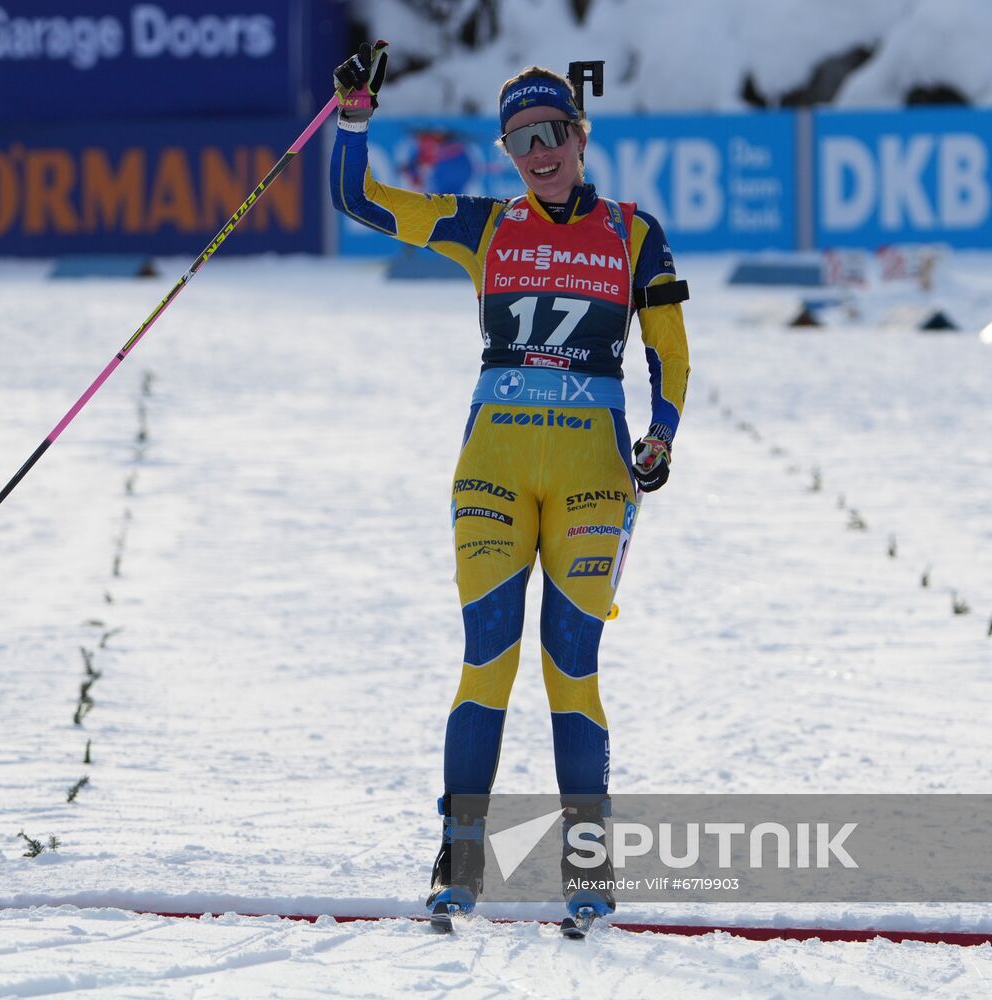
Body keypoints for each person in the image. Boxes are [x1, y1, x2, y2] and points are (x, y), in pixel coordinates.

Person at [330, 43, 691, 926]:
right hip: (492, 473)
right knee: (487, 664)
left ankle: (589, 873)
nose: (538, 151)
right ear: (507, 150)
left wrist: (661, 436)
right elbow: (357, 200)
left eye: (551, 132)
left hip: (595, 482)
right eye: (520, 138)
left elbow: (670, 351)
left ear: (579, 133)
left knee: (572, 668)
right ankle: (459, 866)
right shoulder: (484, 226)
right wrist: (354, 119)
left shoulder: (634, 233)